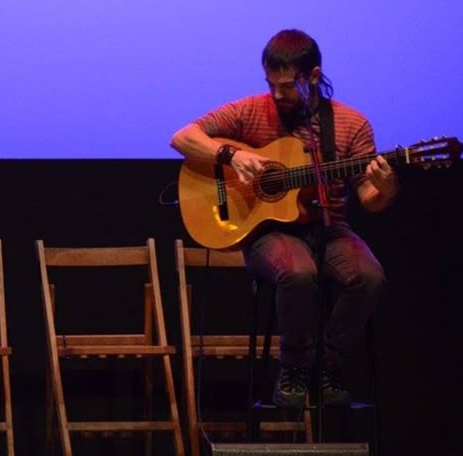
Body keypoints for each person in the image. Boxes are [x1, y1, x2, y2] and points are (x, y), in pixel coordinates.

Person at [170, 29, 398, 408]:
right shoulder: (249, 111)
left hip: (330, 228)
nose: (278, 94)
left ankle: (324, 364)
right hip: (270, 233)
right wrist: (231, 156)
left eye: (288, 86)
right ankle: (292, 367)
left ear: (313, 76)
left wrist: (386, 188)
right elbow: (182, 137)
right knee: (298, 272)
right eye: (271, 84)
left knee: (369, 278)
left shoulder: (351, 124)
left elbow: (369, 199)